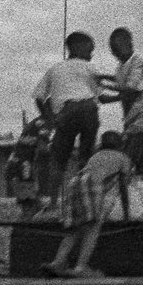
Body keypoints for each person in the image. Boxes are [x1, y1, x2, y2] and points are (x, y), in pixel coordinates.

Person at [45, 132, 137, 277]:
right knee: (93, 227)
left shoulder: (96, 155)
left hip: (75, 182)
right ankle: (80, 268)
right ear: (121, 145)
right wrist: (126, 214)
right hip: (93, 184)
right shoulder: (123, 158)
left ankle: (58, 262)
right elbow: (123, 188)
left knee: (75, 227)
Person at [32, 32, 105, 202]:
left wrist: (50, 118)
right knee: (86, 159)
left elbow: (39, 97)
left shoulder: (55, 68)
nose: (91, 54)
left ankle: (52, 203)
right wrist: (123, 95)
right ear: (77, 47)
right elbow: (101, 97)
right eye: (89, 50)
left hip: (66, 113)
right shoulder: (90, 67)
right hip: (88, 109)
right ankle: (86, 201)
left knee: (58, 161)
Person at [109, 26, 143, 207]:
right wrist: (107, 82)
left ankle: (123, 212)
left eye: (118, 48)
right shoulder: (121, 67)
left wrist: (109, 90)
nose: (116, 53)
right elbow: (123, 87)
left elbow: (131, 89)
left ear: (130, 44)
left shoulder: (137, 61)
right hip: (138, 124)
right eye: (113, 50)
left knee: (123, 167)